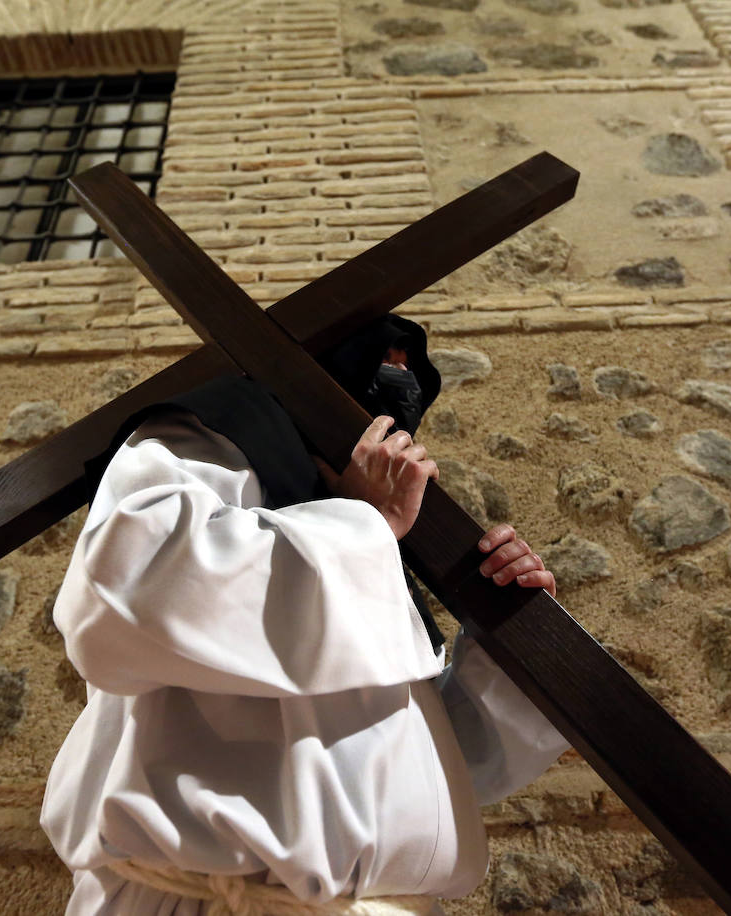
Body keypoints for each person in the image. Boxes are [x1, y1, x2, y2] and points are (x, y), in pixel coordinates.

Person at [41, 317, 570, 915]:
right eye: (381, 359)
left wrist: (507, 641)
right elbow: (128, 594)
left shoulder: (357, 551)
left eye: (408, 367)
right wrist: (357, 520)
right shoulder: (213, 436)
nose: (397, 381)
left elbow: (438, 769)